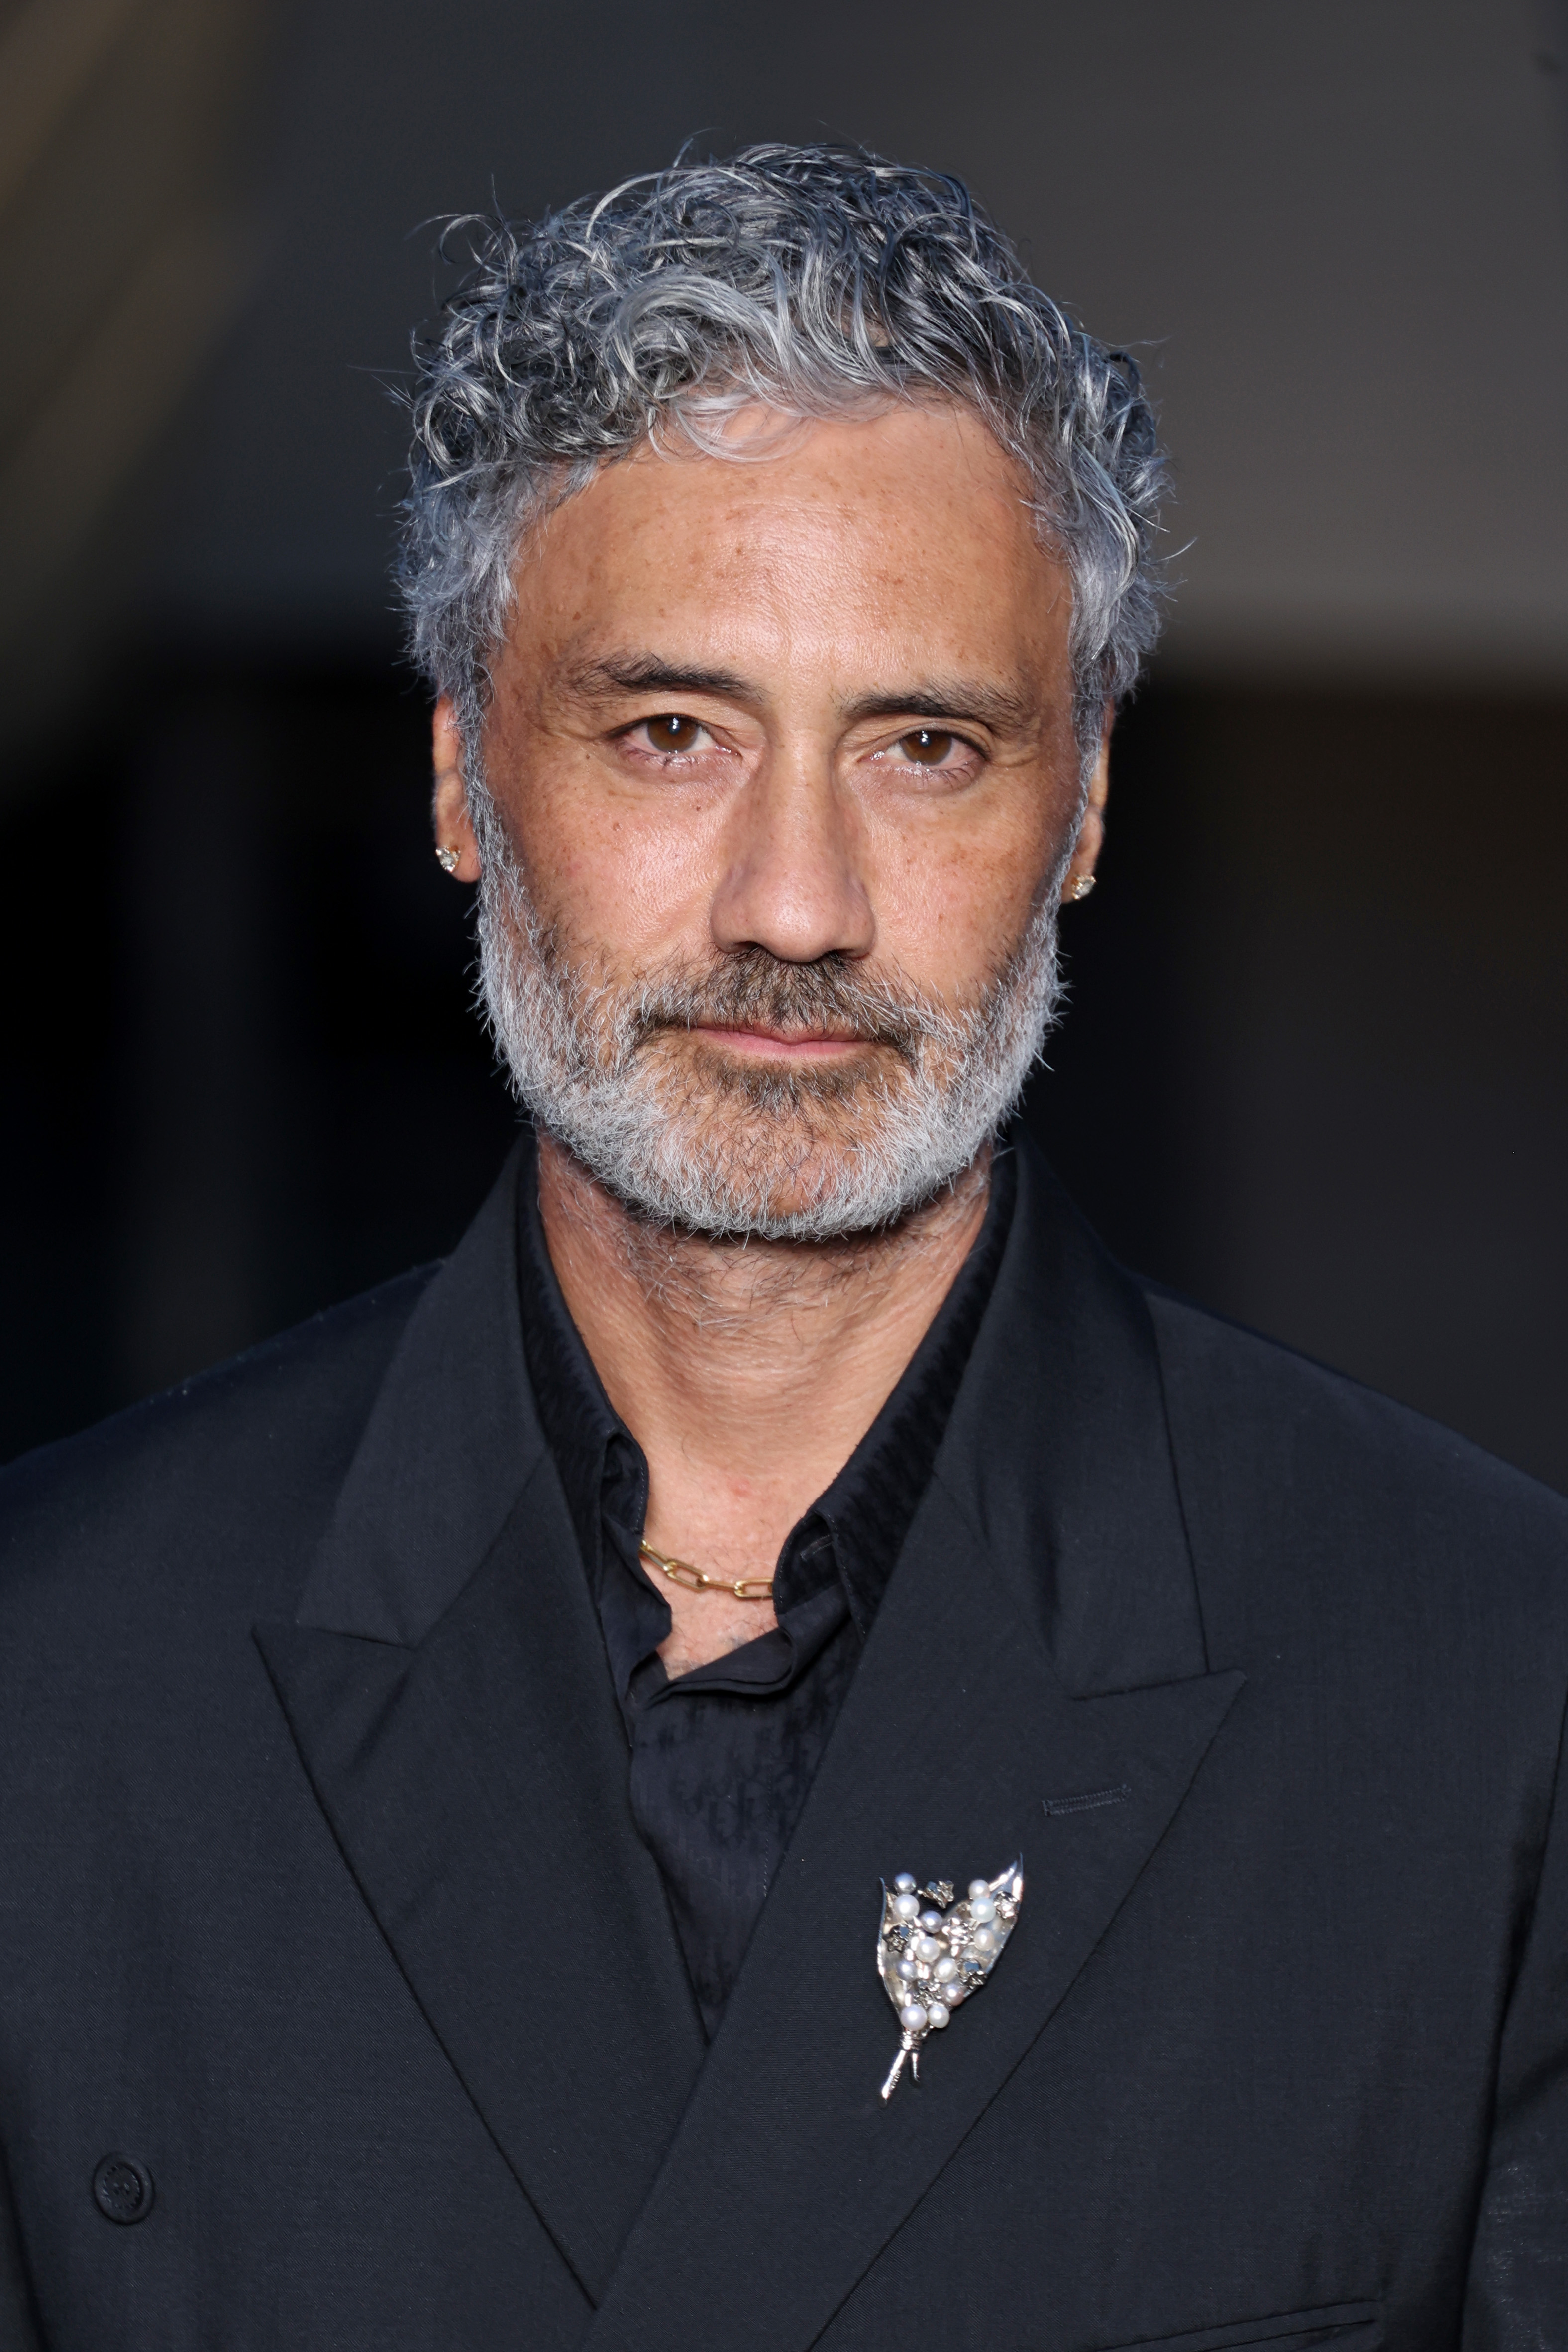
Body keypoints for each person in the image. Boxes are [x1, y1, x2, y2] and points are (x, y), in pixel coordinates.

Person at [0, 143, 1563, 2352]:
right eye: (668, 734)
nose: (795, 906)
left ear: (1084, 806)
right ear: (463, 777)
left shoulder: (1487, 1698)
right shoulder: (54, 1689)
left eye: (922, 746)